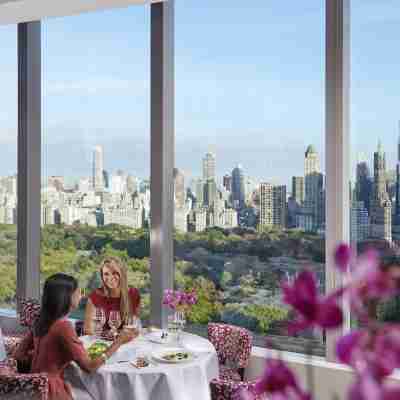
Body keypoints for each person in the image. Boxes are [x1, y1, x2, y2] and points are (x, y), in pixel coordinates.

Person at [14, 273, 137, 400]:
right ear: (67, 297)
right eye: (79, 292)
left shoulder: (41, 320)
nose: (81, 295)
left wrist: (46, 358)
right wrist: (118, 342)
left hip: (33, 390)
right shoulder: (63, 326)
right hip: (52, 392)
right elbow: (89, 367)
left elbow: (18, 355)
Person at [84, 257, 140, 336]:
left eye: (114, 273)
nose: (110, 278)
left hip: (126, 343)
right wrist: (105, 334)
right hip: (101, 343)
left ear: (122, 273)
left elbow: (135, 325)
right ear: (102, 277)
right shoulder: (95, 296)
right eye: (106, 274)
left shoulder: (133, 294)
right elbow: (87, 330)